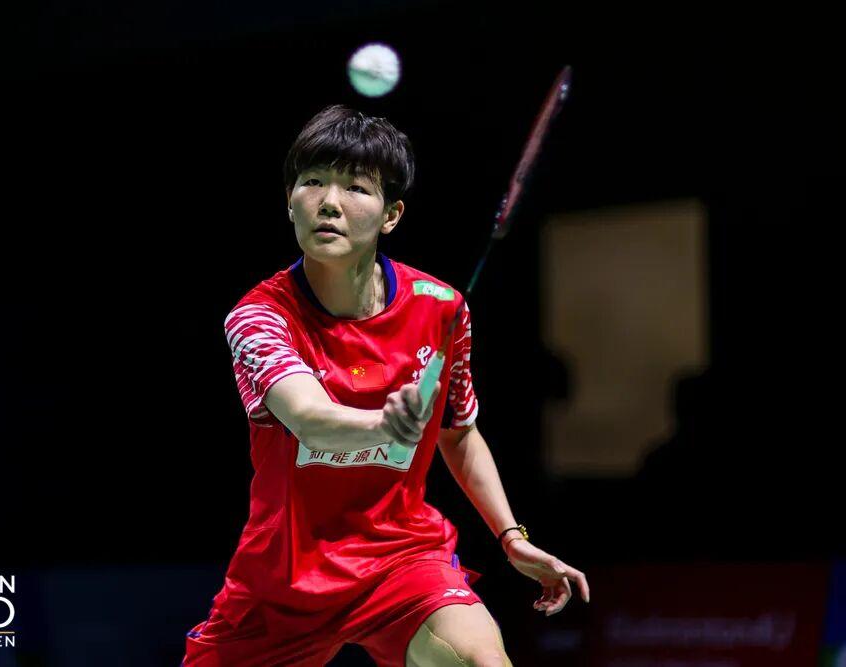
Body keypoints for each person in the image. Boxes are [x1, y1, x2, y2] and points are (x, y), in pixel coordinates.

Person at [183, 105, 589, 667]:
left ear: (392, 214)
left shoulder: (442, 309)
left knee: (483, 661)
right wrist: (384, 424)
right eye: (313, 182)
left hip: (400, 559)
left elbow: (459, 433)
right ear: (289, 201)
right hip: (285, 579)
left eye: (356, 188)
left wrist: (511, 537)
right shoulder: (260, 317)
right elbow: (308, 417)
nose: (329, 202)